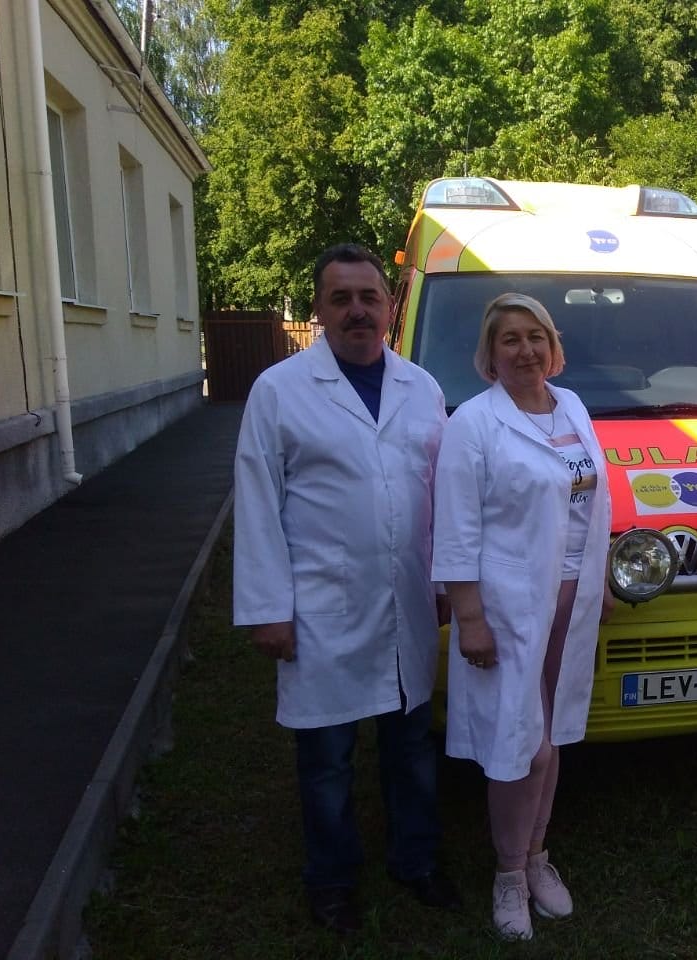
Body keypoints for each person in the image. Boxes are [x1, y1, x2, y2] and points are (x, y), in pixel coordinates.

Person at [233, 243, 459, 935]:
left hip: (408, 599)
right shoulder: (279, 390)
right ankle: (331, 879)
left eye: (370, 298)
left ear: (390, 307)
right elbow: (257, 501)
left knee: (410, 744)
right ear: (320, 309)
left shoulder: (422, 387)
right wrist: (269, 609)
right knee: (327, 758)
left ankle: (414, 860)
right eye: (342, 299)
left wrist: (449, 578)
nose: (358, 311)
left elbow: (442, 493)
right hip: (322, 604)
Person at [432, 292, 613, 941]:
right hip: (508, 606)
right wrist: (469, 616)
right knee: (522, 744)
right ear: (490, 352)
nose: (526, 350)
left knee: (555, 731)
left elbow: (592, 503)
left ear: (552, 345)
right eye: (510, 339)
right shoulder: (474, 424)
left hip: (572, 596)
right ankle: (508, 874)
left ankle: (538, 858)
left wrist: (600, 580)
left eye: (535, 337)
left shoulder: (572, 407)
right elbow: (454, 527)